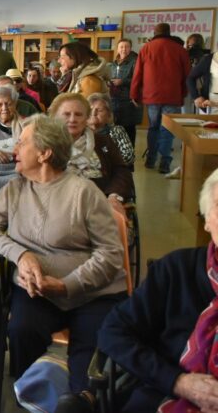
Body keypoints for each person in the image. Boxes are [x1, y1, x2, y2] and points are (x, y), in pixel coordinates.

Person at [0, 114, 127, 413]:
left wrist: (67, 284)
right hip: (37, 289)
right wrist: (22, 255)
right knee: (21, 330)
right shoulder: (14, 190)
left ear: (45, 153)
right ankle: (31, 396)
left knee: (91, 346)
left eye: (22, 142)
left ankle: (79, 402)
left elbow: (110, 254)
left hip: (92, 292)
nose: (14, 148)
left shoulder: (84, 192)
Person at [97, 168, 218, 413]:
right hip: (166, 393)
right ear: (206, 220)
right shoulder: (176, 270)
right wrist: (178, 382)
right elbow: (113, 332)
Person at [50, 93, 134, 213]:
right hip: (58, 204)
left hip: (100, 202)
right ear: (55, 118)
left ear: (86, 118)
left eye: (78, 114)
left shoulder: (103, 141)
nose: (73, 119)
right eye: (67, 114)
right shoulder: (46, 144)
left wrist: (114, 196)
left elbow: (121, 170)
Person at [131, 23, 191, 173]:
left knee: (153, 127)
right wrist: (183, 93)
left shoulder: (146, 48)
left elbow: (137, 74)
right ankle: (165, 162)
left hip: (152, 96)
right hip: (172, 96)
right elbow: (187, 76)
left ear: (155, 32)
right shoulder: (180, 50)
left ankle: (151, 159)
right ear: (169, 32)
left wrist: (134, 94)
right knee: (167, 129)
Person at [87, 93, 136, 167]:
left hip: (111, 174)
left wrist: (99, 164)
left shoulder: (117, 131)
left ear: (109, 114)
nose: (93, 113)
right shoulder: (80, 132)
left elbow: (129, 157)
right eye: (90, 110)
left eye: (99, 110)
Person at [109, 38, 142, 146]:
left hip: (129, 101)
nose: (124, 49)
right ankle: (119, 155)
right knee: (116, 129)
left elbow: (140, 80)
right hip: (114, 101)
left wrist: (122, 81)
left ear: (130, 48)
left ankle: (130, 155)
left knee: (129, 129)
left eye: (126, 46)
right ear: (117, 49)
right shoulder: (113, 64)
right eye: (121, 47)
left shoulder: (135, 61)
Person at [187, 48, 218, 113]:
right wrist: (196, 96)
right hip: (209, 102)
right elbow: (190, 78)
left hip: (213, 103)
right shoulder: (208, 60)